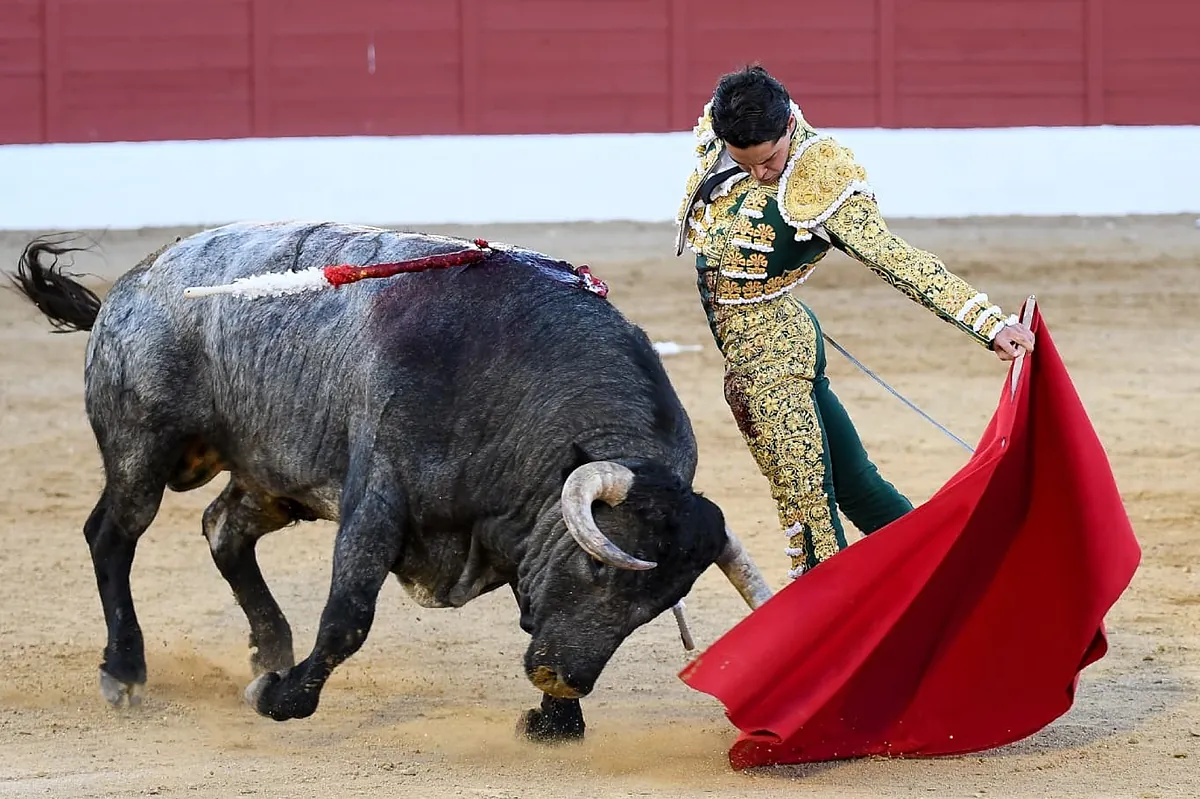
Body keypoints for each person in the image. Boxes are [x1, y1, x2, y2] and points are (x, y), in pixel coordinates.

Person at [674, 64, 1035, 580]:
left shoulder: (822, 178)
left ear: (791, 125)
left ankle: (845, 636)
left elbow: (896, 258)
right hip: (775, 344)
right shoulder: (729, 124)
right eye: (745, 162)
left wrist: (988, 322)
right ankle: (956, 577)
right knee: (856, 485)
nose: (761, 174)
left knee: (810, 521)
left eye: (771, 159)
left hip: (774, 361)